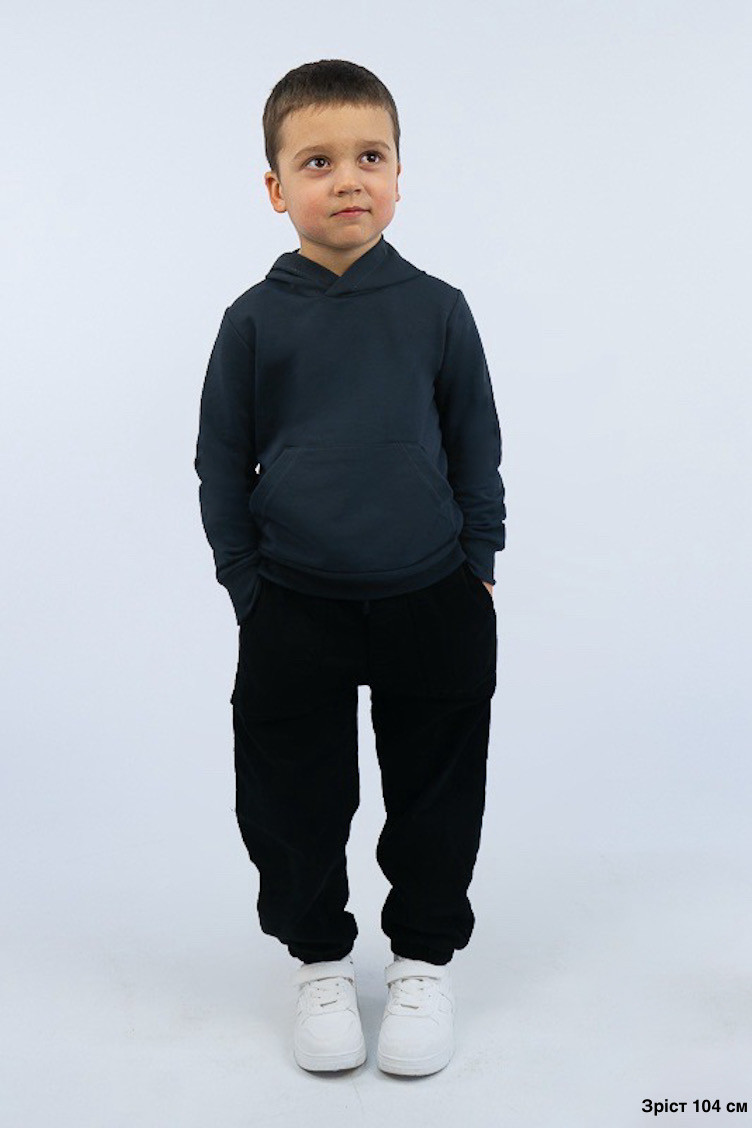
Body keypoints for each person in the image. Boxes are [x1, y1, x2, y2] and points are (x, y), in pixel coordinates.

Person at [194, 59, 506, 1077]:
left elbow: (475, 447)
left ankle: (421, 961)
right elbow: (220, 462)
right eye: (317, 162)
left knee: (436, 793)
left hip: (431, 594)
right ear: (276, 187)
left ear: (399, 173)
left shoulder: (438, 309)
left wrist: (477, 564)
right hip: (293, 602)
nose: (347, 180)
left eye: (369, 156)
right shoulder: (252, 319)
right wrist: (246, 585)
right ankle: (319, 964)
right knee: (290, 798)